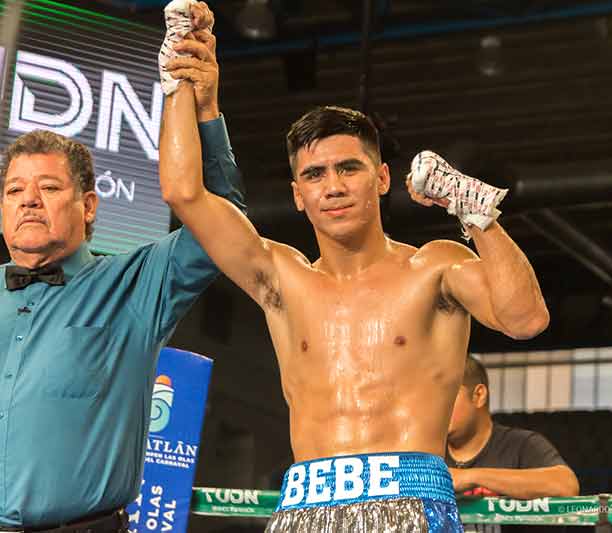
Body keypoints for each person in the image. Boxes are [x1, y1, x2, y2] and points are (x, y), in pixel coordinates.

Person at [161, 26, 550, 529]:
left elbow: (525, 319)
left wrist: (478, 215)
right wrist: (179, 84)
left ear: (382, 178)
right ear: (297, 194)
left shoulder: (434, 267)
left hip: (413, 497)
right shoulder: (281, 277)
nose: (334, 187)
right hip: (306, 503)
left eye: (349, 168)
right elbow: (183, 193)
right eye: (315, 175)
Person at [0, 4, 244, 528]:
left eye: (48, 188)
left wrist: (204, 110)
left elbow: (224, 228)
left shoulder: (133, 284)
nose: (28, 201)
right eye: (15, 190)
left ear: (89, 206)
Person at [446, 355, 580, 499]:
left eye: (446, 395)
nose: (434, 408)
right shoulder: (427, 449)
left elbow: (566, 486)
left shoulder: (522, 444)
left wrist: (470, 477)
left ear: (479, 396)